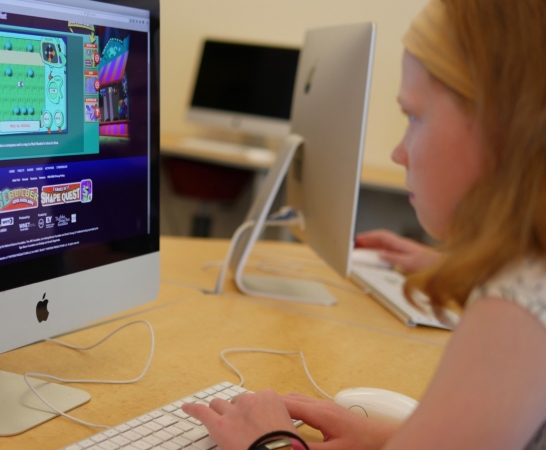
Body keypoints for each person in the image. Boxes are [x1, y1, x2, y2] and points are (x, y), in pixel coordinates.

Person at [183, 0, 546, 448]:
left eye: (413, 116)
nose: (399, 152)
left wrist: (269, 442)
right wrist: (386, 438)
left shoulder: (516, 312)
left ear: (502, 125)